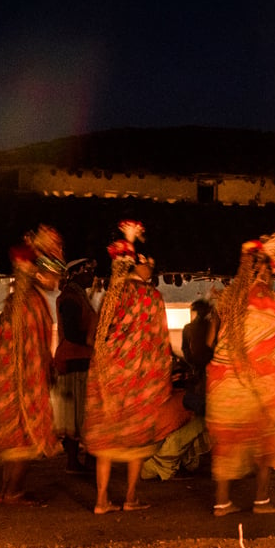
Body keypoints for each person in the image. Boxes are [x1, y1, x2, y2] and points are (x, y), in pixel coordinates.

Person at [82, 220, 186, 514]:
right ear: (137, 265)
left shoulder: (112, 295)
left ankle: (101, 500)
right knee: (136, 441)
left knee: (107, 438)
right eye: (148, 264)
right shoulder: (152, 297)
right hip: (140, 380)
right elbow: (158, 343)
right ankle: (130, 497)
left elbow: (96, 337)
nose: (151, 268)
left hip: (110, 377)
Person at [205, 233, 275, 516]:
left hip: (222, 385)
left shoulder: (227, 299)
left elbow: (210, 342)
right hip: (256, 386)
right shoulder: (272, 302)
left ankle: (221, 502)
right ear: (266, 269)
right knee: (265, 442)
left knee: (226, 445)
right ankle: (261, 500)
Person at [0, 224, 66, 505]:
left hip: (11, 381)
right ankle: (12, 492)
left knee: (17, 441)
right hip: (21, 384)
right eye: (55, 275)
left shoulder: (26, 301)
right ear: (41, 272)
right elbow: (26, 348)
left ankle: (7, 489)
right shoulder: (29, 302)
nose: (56, 283)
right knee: (22, 440)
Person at [52, 257, 99, 473]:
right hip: (75, 360)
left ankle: (79, 460)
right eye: (88, 271)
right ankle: (76, 461)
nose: (92, 276)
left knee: (77, 414)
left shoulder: (77, 296)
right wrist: (96, 341)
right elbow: (72, 333)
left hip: (78, 358)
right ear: (78, 272)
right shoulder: (70, 298)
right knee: (78, 414)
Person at [179, 297, 214, 416]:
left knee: (201, 395)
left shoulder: (189, 328)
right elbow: (185, 349)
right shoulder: (208, 327)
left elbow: (185, 349)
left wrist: (192, 364)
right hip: (204, 366)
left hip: (202, 366)